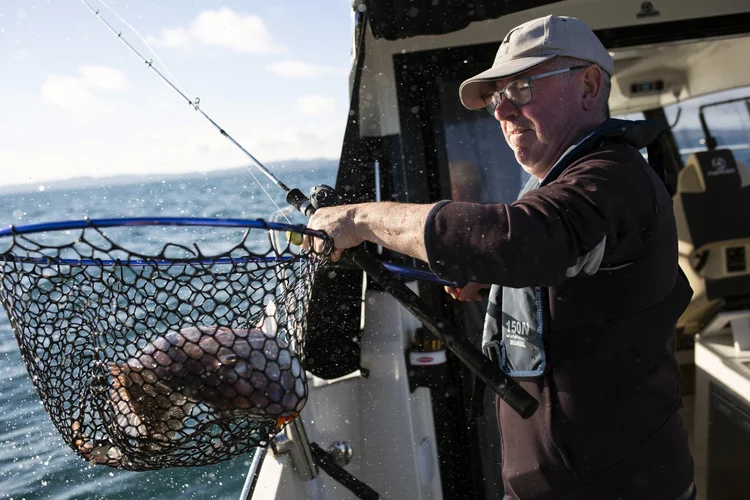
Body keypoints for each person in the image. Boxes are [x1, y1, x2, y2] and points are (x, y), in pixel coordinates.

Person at [307, 15, 696, 500]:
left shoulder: (612, 176)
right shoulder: (557, 179)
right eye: (496, 98)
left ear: (589, 86)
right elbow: (562, 268)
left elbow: (522, 240)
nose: (502, 111)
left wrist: (361, 219)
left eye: (522, 87)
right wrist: (497, 282)